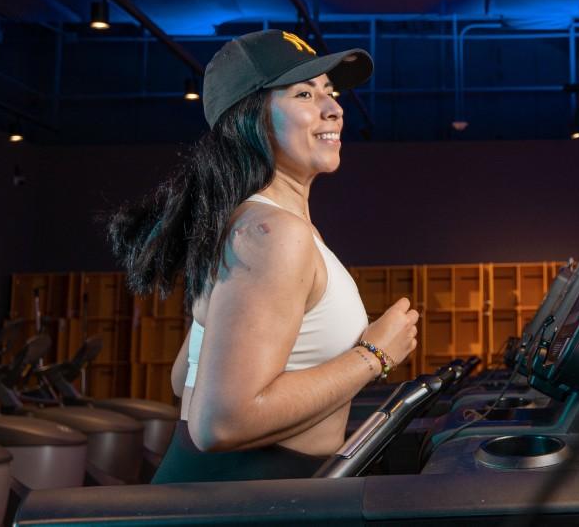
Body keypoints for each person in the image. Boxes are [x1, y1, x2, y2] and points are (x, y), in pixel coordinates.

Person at [108, 29, 419, 483]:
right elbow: (220, 422)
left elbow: (185, 380)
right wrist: (375, 354)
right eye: (304, 93)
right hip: (234, 499)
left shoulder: (252, 225)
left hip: (246, 489)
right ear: (251, 118)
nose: (333, 108)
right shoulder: (272, 234)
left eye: (330, 93)